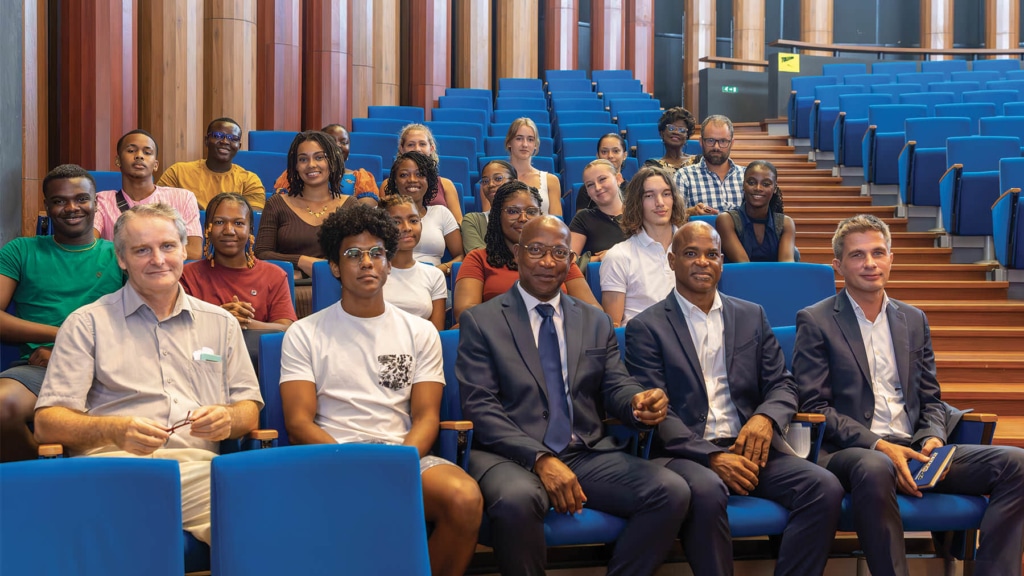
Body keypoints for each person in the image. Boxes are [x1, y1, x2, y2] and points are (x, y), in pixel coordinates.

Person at [456, 215, 690, 576]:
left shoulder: (594, 321)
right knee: (518, 500)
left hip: (584, 452)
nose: (548, 262)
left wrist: (636, 403)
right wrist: (540, 459)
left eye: (559, 253)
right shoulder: (482, 321)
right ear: (517, 255)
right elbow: (481, 407)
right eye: (536, 250)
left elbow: (615, 384)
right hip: (510, 455)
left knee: (671, 491)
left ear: (571, 261)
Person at [794, 214, 1024, 576]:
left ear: (891, 258)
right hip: (855, 452)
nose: (870, 263)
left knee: (1016, 464)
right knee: (876, 466)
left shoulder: (913, 319)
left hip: (916, 450)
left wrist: (932, 435)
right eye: (857, 255)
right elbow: (815, 406)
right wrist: (880, 445)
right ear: (838, 264)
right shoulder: (816, 320)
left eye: (878, 252)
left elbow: (931, 399)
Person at [34, 203, 264, 545]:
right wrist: (115, 430)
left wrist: (229, 419)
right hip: (112, 471)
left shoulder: (222, 323)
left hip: (199, 474)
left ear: (185, 251)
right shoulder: (87, 324)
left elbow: (249, 407)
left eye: (168, 246)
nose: (158, 259)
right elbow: (47, 424)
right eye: (142, 250)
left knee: (269, 521)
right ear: (122, 259)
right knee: (118, 535)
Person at [626, 221, 844, 576]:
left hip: (749, 447)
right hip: (683, 454)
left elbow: (783, 385)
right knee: (708, 492)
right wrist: (713, 457)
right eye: (691, 254)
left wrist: (766, 419)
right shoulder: (646, 327)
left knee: (823, 487)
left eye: (711, 254)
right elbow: (657, 413)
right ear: (671, 261)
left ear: (722, 261)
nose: (702, 262)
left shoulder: (751, 315)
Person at [278, 203, 482, 576]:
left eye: (376, 253)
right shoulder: (303, 333)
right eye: (353, 255)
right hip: (331, 457)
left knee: (464, 498)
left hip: (403, 456)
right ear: (336, 268)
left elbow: (425, 417)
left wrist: (395, 464)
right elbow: (298, 422)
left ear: (389, 262)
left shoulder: (420, 332)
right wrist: (355, 464)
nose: (367, 262)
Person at [0, 165, 124, 462]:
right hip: (40, 369)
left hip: (109, 367)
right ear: (47, 207)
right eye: (59, 201)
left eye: (82, 198)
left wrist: (70, 346)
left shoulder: (120, 254)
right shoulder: (21, 250)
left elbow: (143, 320)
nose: (71, 208)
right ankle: (45, 480)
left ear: (97, 203)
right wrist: (59, 339)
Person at [453, 181, 597, 323]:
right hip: (499, 338)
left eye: (531, 212)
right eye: (513, 211)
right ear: (497, 216)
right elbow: (465, 311)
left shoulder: (557, 258)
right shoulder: (478, 258)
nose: (523, 219)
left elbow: (594, 310)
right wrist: (528, 320)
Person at [255, 130, 353, 316]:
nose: (311, 165)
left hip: (338, 292)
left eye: (319, 157)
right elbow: (261, 253)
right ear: (295, 167)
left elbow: (355, 253)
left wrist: (319, 270)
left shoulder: (350, 205)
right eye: (303, 159)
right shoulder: (277, 203)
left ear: (331, 162)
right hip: (287, 292)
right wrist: (301, 261)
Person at [180, 192, 296, 334]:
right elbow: (180, 327)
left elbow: (287, 328)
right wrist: (220, 318)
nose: (229, 230)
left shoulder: (274, 275)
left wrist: (246, 323)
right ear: (207, 230)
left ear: (250, 230)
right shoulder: (187, 275)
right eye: (219, 222)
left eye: (239, 223)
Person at [94, 129, 203, 260]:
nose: (139, 156)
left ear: (156, 165)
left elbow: (194, 250)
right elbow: (91, 247)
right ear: (118, 161)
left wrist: (134, 252)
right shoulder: (101, 200)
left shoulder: (183, 198)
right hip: (118, 277)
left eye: (147, 152)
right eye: (131, 150)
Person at [600, 166, 686, 327]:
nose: (660, 203)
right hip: (644, 344)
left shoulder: (693, 249)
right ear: (637, 202)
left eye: (666, 194)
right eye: (649, 196)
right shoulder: (618, 256)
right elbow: (614, 326)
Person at [156, 117, 266, 210]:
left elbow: (251, 221)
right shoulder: (178, 172)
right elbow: (157, 209)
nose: (225, 142)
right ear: (206, 140)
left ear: (239, 146)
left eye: (233, 138)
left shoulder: (250, 181)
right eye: (218, 136)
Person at [382, 151, 463, 273]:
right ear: (394, 181)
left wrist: (435, 272)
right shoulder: (381, 214)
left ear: (429, 181)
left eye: (420, 174)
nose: (412, 180)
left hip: (434, 281)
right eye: (404, 175)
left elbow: (461, 257)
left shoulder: (441, 213)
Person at [380, 194, 447, 331]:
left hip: (420, 349)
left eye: (413, 221)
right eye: (396, 222)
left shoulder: (435, 275)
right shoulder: (370, 272)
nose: (407, 228)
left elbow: (436, 334)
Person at [272, 124, 380, 206]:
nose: (338, 145)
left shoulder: (361, 178)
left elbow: (366, 211)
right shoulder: (296, 174)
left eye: (344, 142)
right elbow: (280, 205)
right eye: (332, 141)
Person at [379, 124, 463, 223]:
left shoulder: (446, 185)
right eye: (411, 144)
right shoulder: (387, 184)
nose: (417, 149)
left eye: (422, 144)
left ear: (431, 148)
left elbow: (458, 222)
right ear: (401, 149)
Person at [716, 160, 797, 263]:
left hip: (776, 278)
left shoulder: (786, 224)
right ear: (743, 185)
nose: (758, 188)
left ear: (775, 189)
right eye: (751, 182)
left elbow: (786, 268)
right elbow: (744, 267)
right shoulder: (726, 220)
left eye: (766, 184)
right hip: (740, 278)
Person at [675, 115, 745, 216]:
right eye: (710, 140)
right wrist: (690, 213)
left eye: (723, 141)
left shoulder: (746, 176)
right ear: (701, 142)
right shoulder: (684, 176)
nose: (716, 147)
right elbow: (674, 218)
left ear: (732, 143)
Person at [569, 159, 628, 262]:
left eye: (602, 179)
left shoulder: (639, 213)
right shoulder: (583, 218)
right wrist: (599, 258)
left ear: (618, 179)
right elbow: (568, 260)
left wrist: (615, 254)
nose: (598, 187)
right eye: (590, 185)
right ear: (587, 191)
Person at [505, 117, 562, 217]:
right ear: (509, 142)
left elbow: (557, 224)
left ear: (535, 145)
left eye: (530, 139)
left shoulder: (551, 181)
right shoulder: (495, 180)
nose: (525, 144)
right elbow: (488, 221)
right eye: (519, 138)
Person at [464, 159, 517, 252]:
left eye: (498, 179)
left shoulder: (526, 219)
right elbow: (477, 258)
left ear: (514, 183)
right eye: (485, 181)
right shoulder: (473, 220)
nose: (491, 184)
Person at [574, 133, 628, 213]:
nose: (610, 156)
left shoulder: (633, 189)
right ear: (598, 156)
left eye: (616, 151)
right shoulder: (586, 190)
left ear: (624, 155)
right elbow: (581, 222)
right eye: (604, 152)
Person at [643, 107, 700, 173]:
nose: (676, 132)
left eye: (681, 130)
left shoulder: (699, 161)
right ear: (662, 133)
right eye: (671, 128)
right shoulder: (652, 166)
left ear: (687, 136)